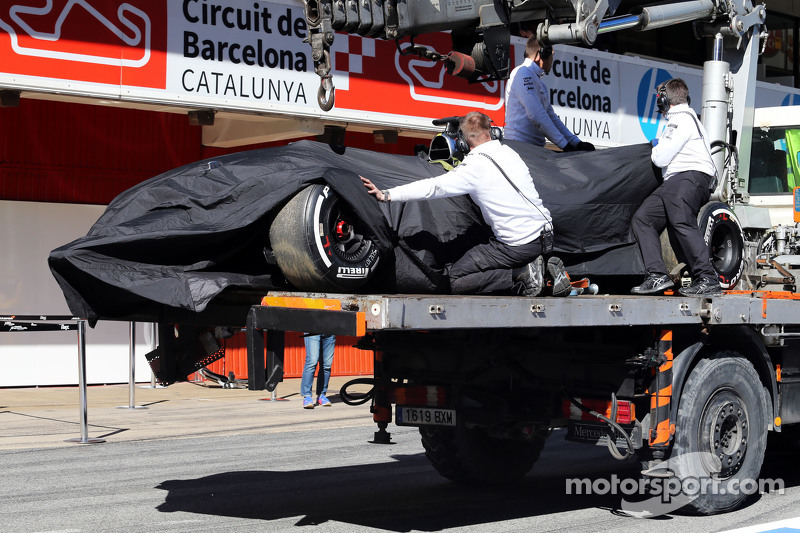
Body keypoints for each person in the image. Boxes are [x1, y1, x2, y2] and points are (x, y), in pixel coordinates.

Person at [360, 111, 572, 297]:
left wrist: (386, 194)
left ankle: (522, 274)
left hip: (518, 246)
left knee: (456, 279)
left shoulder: (473, 168)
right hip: (546, 236)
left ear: (462, 143)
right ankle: (543, 274)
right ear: (493, 132)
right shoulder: (510, 153)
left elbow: (434, 187)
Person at [631, 78, 722, 297]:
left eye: (659, 100)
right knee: (643, 218)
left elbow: (660, 158)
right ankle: (657, 275)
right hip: (680, 181)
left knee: (681, 221)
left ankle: (708, 278)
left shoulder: (679, 120)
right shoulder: (687, 118)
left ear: (665, 100)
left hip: (686, 178)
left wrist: (656, 145)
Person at [504, 36, 595, 152]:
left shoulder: (540, 84)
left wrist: (576, 143)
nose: (552, 59)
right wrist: (565, 145)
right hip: (519, 148)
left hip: (532, 150)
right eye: (551, 54)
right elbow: (536, 115)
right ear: (541, 54)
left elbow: (551, 117)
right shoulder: (522, 73)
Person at [301, 333, 335, 408]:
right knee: (312, 362)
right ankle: (307, 396)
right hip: (313, 328)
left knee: (327, 365)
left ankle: (321, 395)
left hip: (330, 330)